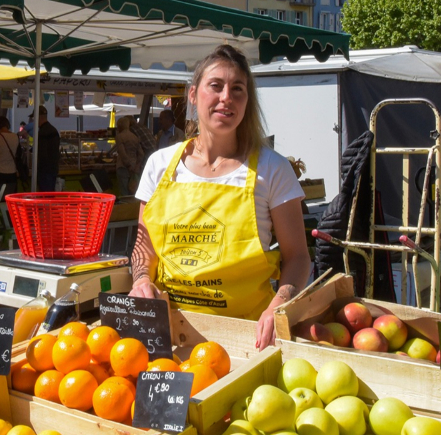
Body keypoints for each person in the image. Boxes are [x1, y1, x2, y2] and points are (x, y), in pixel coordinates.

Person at [128, 45, 309, 349]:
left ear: (247, 101)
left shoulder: (272, 169)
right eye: (216, 86)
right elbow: (144, 248)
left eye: (237, 89)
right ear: (193, 95)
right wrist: (140, 280)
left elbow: (299, 257)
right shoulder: (159, 165)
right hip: (168, 335)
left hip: (247, 338)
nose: (227, 97)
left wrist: (279, 304)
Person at [113, 116, 145, 197]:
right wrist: (136, 166)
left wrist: (128, 165)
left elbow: (122, 153)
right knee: (133, 192)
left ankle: (125, 209)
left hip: (123, 167)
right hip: (134, 167)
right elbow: (141, 154)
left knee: (124, 193)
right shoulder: (135, 137)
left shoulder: (119, 137)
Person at [35, 106, 61, 192]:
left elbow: (42, 153)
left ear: (38, 117)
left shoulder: (43, 132)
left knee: (45, 198)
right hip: (52, 169)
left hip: (45, 171)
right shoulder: (53, 130)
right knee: (49, 197)